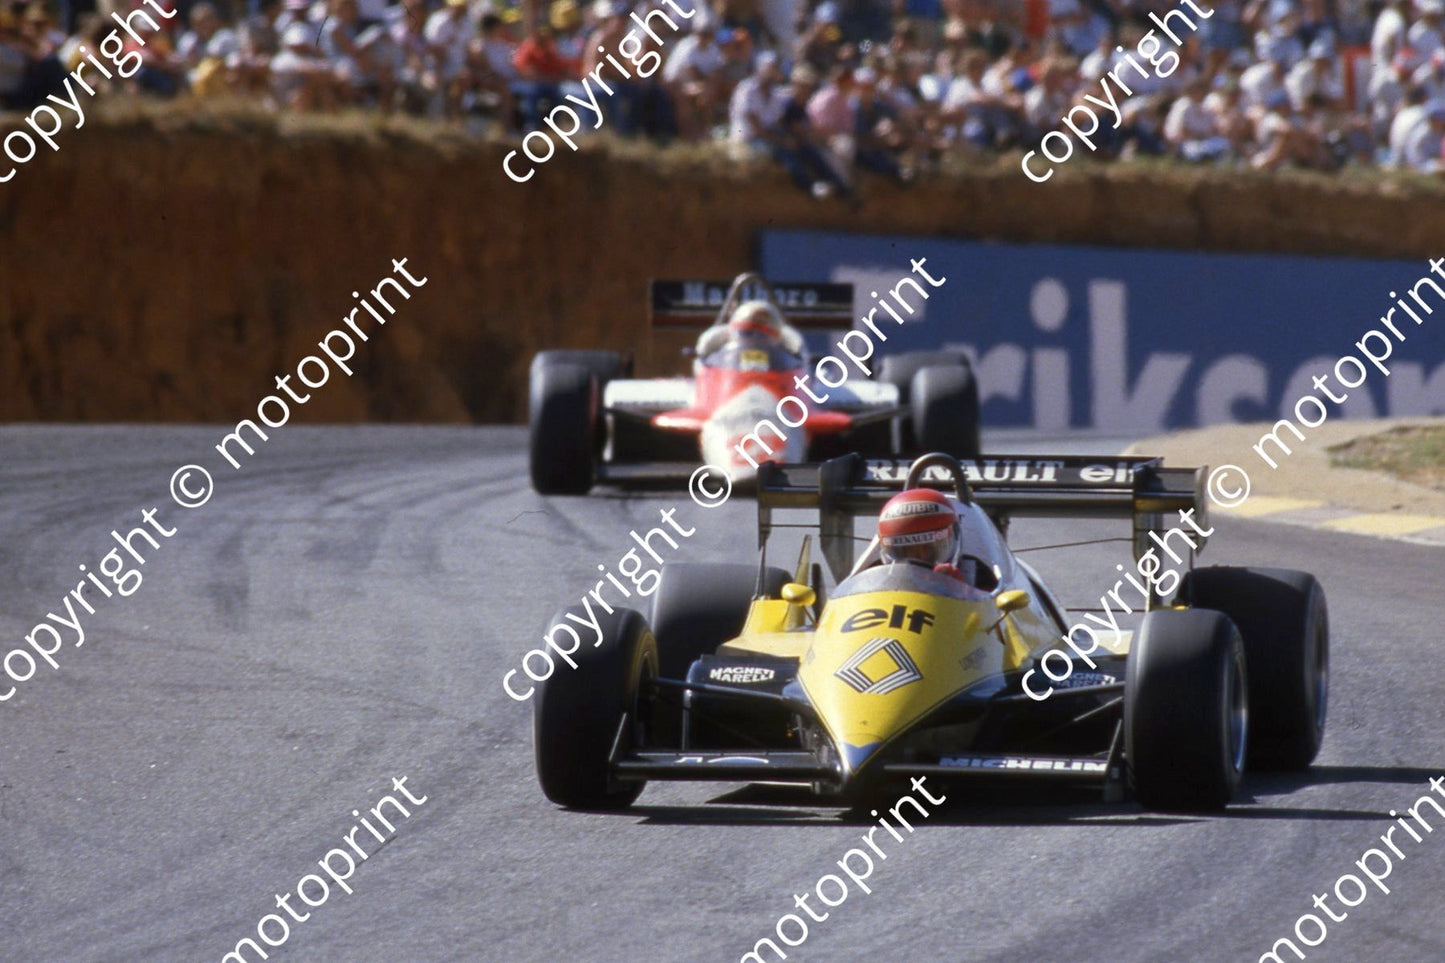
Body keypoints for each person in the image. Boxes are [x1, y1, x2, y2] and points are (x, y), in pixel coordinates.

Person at [877, 488, 969, 582]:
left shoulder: (977, 584)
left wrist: (961, 590)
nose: (918, 567)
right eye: (907, 553)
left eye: (929, 551)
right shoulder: (873, 582)